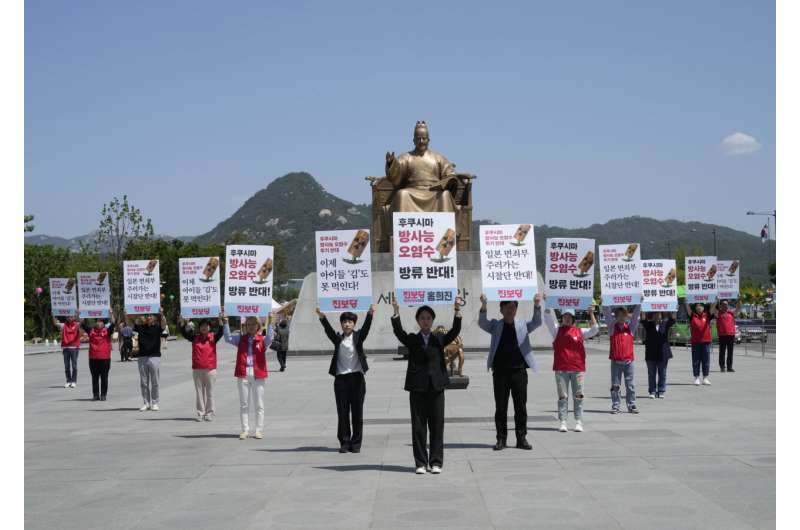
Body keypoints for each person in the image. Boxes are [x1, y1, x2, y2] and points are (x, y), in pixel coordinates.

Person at [391, 299, 461, 475]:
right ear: (418, 320)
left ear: (432, 320)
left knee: (437, 426)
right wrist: (396, 312)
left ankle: (436, 462)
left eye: (429, 318)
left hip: (436, 388)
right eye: (422, 318)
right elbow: (399, 332)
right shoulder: (413, 339)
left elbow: (455, 331)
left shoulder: (439, 338)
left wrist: (457, 311)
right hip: (417, 388)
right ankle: (421, 462)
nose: (425, 321)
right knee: (419, 426)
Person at [478, 293, 543, 451]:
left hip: (519, 371)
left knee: (520, 406)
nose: (510, 310)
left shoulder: (522, 325)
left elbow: (537, 322)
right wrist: (484, 305)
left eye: (513, 307)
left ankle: (521, 438)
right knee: (501, 407)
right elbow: (482, 323)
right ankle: (501, 439)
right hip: (500, 372)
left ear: (516, 309)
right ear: (501, 309)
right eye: (507, 307)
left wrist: (536, 305)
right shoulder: (496, 325)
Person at [316, 305, 375, 453]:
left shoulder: (358, 337)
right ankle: (344, 442)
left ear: (354, 324)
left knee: (357, 412)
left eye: (350, 322)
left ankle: (356, 443)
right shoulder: (338, 339)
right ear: (341, 324)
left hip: (357, 379)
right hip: (341, 380)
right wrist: (322, 317)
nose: (347, 324)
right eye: (344, 322)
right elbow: (328, 331)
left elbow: (366, 328)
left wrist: (369, 315)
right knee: (342, 413)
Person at [543, 304, 599, 432]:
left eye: (569, 317)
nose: (567, 319)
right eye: (565, 316)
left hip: (577, 369)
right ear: (562, 318)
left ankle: (578, 421)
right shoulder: (556, 330)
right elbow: (547, 318)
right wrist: (548, 303)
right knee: (563, 397)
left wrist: (591, 314)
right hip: (561, 369)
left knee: (578, 396)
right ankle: (563, 421)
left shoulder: (580, 331)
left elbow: (595, 330)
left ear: (573, 318)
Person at [223, 315, 273, 440]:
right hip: (243, 372)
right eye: (248, 324)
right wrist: (225, 323)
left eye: (253, 324)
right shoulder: (240, 338)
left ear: (258, 326)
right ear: (245, 326)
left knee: (259, 404)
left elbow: (270, 337)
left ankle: (258, 430)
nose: (251, 327)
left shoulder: (262, 339)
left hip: (258, 373)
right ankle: (245, 430)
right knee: (244, 404)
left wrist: (270, 322)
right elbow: (228, 338)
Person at [179, 316, 224, 421]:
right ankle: (201, 413)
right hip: (197, 369)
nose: (204, 328)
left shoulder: (213, 337)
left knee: (210, 392)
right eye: (202, 326)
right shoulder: (195, 338)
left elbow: (221, 331)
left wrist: (221, 319)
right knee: (199, 392)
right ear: (199, 328)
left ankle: (209, 413)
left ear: (210, 327)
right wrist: (183, 322)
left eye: (206, 326)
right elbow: (184, 333)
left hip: (210, 369)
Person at [602, 304, 641, 414]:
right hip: (616, 362)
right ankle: (616, 405)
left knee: (630, 385)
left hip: (629, 362)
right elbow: (607, 314)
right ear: (615, 316)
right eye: (618, 315)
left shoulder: (630, 328)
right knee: (615, 385)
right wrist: (604, 303)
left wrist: (639, 303)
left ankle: (632, 404)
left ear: (626, 316)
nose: (621, 317)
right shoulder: (612, 327)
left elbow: (636, 316)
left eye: (623, 315)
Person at [133, 313, 168, 411]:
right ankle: (146, 403)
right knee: (144, 382)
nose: (148, 317)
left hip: (154, 357)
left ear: (154, 318)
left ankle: (155, 402)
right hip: (142, 357)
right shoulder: (140, 327)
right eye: (147, 315)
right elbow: (130, 324)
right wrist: (126, 314)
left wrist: (162, 314)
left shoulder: (157, 327)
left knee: (155, 381)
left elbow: (164, 325)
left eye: (150, 315)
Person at [641, 312, 676, 399]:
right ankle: (652, 391)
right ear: (652, 316)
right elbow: (643, 319)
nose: (657, 316)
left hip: (663, 354)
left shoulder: (665, 324)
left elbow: (673, 320)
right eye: (655, 315)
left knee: (662, 373)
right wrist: (643, 308)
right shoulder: (648, 324)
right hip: (650, 353)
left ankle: (661, 390)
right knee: (651, 374)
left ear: (662, 315)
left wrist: (672, 308)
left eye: (659, 314)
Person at [80, 314, 115, 401]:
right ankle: (95, 395)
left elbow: (113, 323)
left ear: (103, 324)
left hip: (105, 359)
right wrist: (80, 314)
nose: (99, 323)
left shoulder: (107, 331)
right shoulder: (91, 331)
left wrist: (111, 313)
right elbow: (82, 323)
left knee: (104, 377)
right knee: (94, 378)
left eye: (100, 321)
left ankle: (103, 395)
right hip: (93, 358)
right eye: (97, 321)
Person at [686, 301, 717, 386]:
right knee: (696, 360)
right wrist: (686, 301)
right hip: (695, 342)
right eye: (697, 306)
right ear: (695, 308)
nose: (699, 307)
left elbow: (713, 306)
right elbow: (687, 307)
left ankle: (705, 378)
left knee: (706, 360)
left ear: (703, 308)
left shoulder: (707, 315)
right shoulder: (692, 316)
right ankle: (696, 377)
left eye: (701, 306)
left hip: (706, 342)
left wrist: (715, 298)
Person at [53, 314, 82, 388]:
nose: (70, 318)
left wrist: (80, 313)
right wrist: (54, 314)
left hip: (74, 348)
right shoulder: (63, 325)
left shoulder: (77, 324)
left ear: (74, 317)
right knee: (67, 366)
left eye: (71, 316)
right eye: (68, 316)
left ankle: (74, 381)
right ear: (66, 317)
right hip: (65, 348)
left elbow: (82, 321)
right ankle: (68, 381)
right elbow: (55, 323)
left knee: (74, 366)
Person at [716, 300, 741, 373]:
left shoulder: (731, 313)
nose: (725, 305)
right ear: (721, 305)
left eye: (726, 304)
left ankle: (729, 367)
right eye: (723, 304)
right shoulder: (718, 313)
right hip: (722, 335)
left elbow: (738, 309)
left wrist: (738, 301)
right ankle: (722, 367)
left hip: (731, 335)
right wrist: (714, 299)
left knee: (730, 352)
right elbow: (713, 308)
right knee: (722, 352)